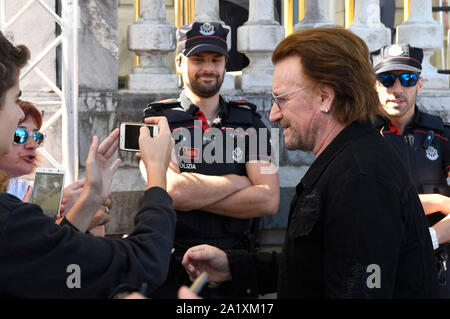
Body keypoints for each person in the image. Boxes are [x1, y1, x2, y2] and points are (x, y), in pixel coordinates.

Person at [181, 27, 439, 298]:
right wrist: (235, 267)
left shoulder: (362, 180)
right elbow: (317, 267)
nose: (273, 115)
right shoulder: (347, 163)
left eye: (282, 99)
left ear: (325, 97)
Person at [0, 31, 176, 298]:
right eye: (15, 100)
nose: (17, 115)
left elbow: (50, 257)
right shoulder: (10, 220)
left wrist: (92, 196)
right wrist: (157, 178)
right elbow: (143, 263)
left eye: (37, 136)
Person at [143, 21, 280, 298]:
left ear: (225, 64)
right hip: (174, 268)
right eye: (198, 59)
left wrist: (195, 193)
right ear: (180, 62)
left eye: (216, 59)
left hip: (234, 267)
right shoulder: (158, 121)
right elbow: (170, 192)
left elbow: (268, 200)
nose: (208, 67)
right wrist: (238, 181)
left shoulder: (249, 122)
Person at [370, 44, 450, 297]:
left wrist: (428, 239)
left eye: (407, 79)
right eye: (386, 79)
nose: (397, 89)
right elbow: (353, 205)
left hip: (434, 270)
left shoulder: (444, 136)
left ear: (420, 83)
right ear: (374, 85)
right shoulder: (357, 138)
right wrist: (437, 201)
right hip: (376, 270)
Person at [0, 100, 111, 236]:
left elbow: (42, 247)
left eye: (37, 136)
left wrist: (88, 217)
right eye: (19, 135)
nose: (33, 144)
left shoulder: (32, 190)